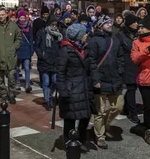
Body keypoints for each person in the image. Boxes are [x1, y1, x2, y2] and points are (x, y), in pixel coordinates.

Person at [86, 16, 125, 149]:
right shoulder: (94, 41)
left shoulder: (115, 39)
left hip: (114, 78)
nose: (110, 24)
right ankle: (100, 135)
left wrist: (120, 70)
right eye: (107, 23)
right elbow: (91, 61)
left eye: (110, 22)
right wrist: (95, 79)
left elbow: (120, 56)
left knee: (118, 106)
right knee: (99, 110)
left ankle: (105, 124)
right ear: (99, 25)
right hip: (101, 79)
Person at [56, 23, 92, 151]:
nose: (86, 35)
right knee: (70, 118)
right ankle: (69, 141)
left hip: (84, 87)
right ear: (78, 36)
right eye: (84, 34)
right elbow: (60, 72)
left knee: (85, 116)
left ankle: (81, 139)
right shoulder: (66, 50)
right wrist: (63, 90)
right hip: (71, 89)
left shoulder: (84, 48)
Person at [0, 8, 21, 104]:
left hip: (11, 56)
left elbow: (18, 38)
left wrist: (14, 48)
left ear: (6, 15)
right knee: (0, 78)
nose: (1, 16)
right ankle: (3, 94)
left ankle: (11, 94)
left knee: (11, 77)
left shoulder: (13, 26)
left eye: (2, 14)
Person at [36, 15, 63, 110]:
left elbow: (61, 47)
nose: (54, 27)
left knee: (55, 81)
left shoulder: (59, 35)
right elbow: (37, 46)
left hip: (55, 61)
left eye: (56, 25)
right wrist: (42, 55)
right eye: (52, 24)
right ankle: (47, 100)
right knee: (46, 81)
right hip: (44, 61)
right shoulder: (41, 33)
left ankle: (50, 95)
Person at [117, 13, 140, 124]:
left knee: (133, 88)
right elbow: (118, 52)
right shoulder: (121, 35)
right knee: (131, 88)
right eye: (134, 22)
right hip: (127, 65)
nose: (137, 24)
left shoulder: (138, 34)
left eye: (137, 22)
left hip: (137, 65)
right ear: (129, 23)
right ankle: (133, 113)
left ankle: (126, 107)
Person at [15, 10, 34, 93]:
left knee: (27, 67)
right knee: (16, 68)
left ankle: (27, 84)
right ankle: (17, 83)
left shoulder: (29, 26)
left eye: (23, 17)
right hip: (18, 49)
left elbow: (31, 38)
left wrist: (32, 50)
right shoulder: (15, 26)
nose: (22, 19)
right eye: (21, 17)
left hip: (26, 49)